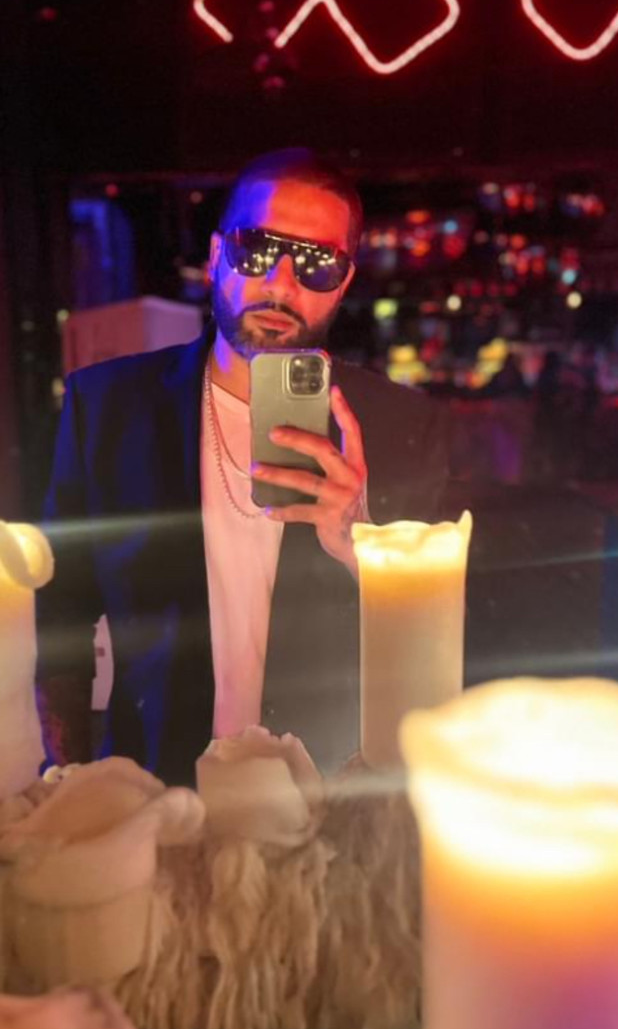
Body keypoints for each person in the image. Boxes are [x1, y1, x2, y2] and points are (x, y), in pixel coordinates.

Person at [38, 149, 448, 785]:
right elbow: (61, 610)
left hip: (327, 801)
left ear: (343, 282)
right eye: (257, 249)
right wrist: (68, 778)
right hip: (154, 796)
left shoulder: (400, 429)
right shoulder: (110, 407)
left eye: (316, 264)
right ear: (215, 256)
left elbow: (437, 644)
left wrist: (362, 544)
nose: (281, 285)